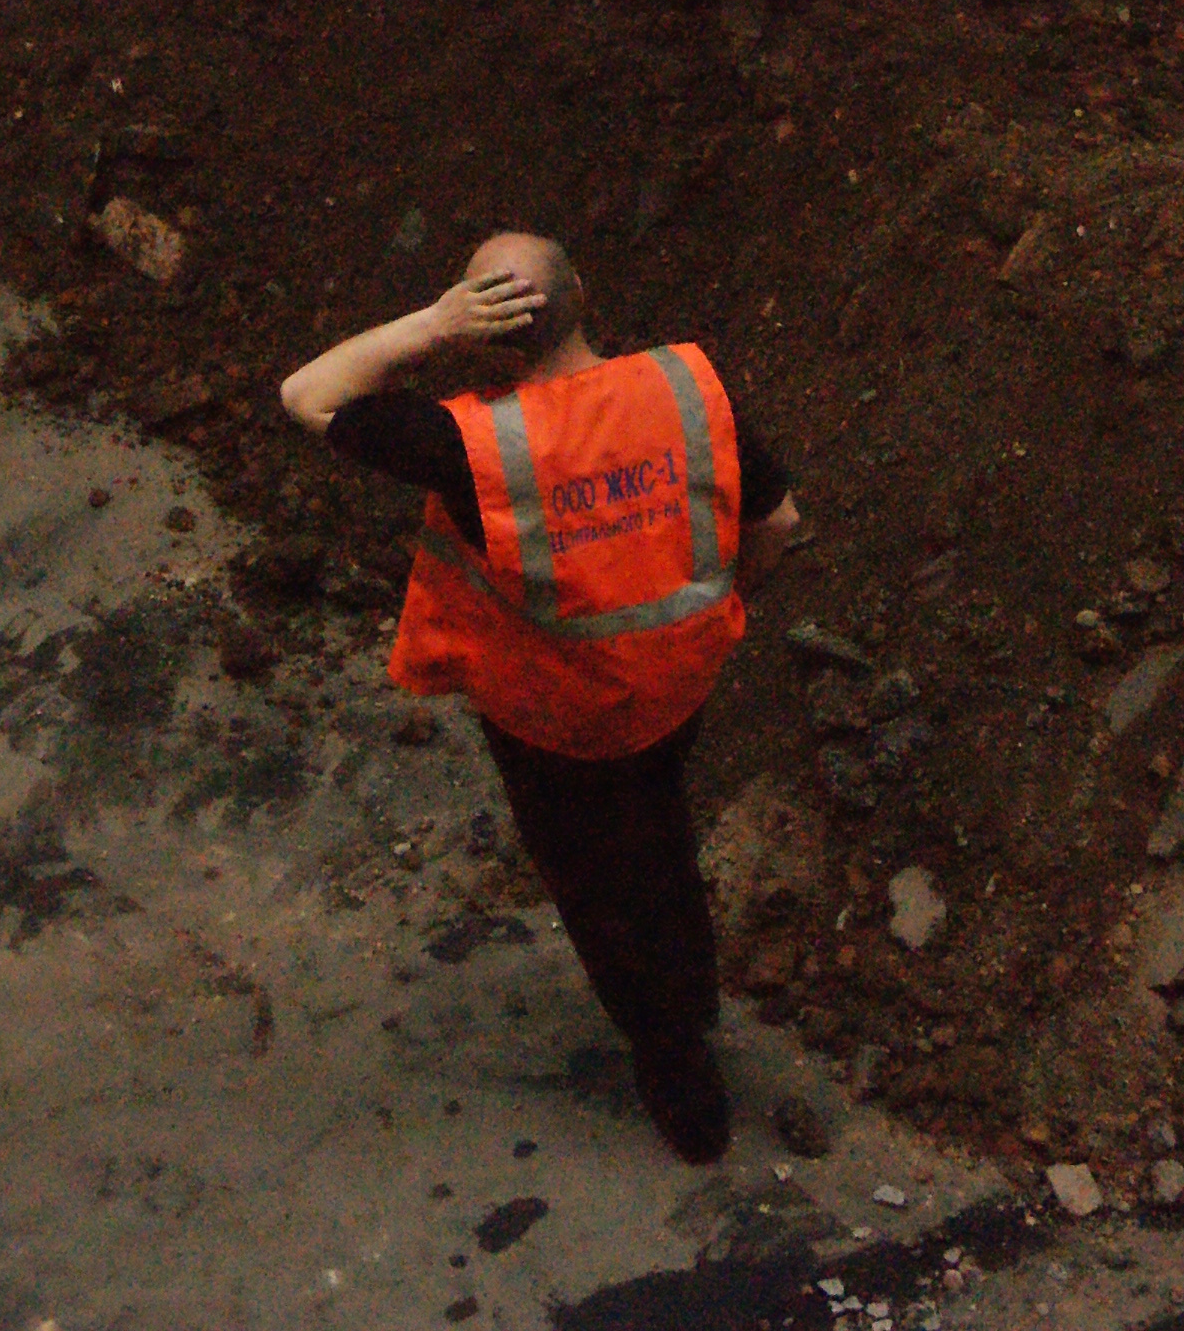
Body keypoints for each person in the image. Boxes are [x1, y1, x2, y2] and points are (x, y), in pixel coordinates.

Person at [279, 231, 798, 1164]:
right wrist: (716, 605)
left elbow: (308, 393)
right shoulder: (686, 390)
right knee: (659, 830)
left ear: (486, 340)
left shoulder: (473, 446)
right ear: (585, 297)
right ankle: (687, 988)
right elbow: (781, 522)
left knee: (602, 888)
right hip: (675, 686)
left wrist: (436, 321)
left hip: (554, 723)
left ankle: (675, 1059)